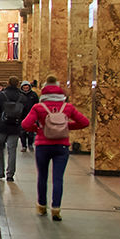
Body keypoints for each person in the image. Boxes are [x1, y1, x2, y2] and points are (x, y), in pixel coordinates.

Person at [21, 77, 89, 220]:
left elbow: (25, 125)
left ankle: (41, 207)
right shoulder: (68, 107)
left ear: (44, 92)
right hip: (62, 146)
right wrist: (64, 128)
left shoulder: (38, 107)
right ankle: (56, 209)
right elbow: (84, 122)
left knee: (42, 177)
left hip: (42, 146)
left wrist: (40, 129)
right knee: (58, 178)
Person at [0, 75, 25, 181]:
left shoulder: (0, 96)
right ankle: (10, 174)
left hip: (1, 127)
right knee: (12, 150)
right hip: (15, 127)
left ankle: (0, 172)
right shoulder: (22, 97)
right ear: (18, 84)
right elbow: (25, 114)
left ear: (8, 83)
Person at [18, 81, 38, 151]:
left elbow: (36, 104)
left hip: (31, 116)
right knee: (22, 132)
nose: (26, 89)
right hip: (22, 115)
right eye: (24, 88)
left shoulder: (33, 95)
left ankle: (30, 144)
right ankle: (24, 146)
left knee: (31, 132)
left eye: (27, 88)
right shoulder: (19, 95)